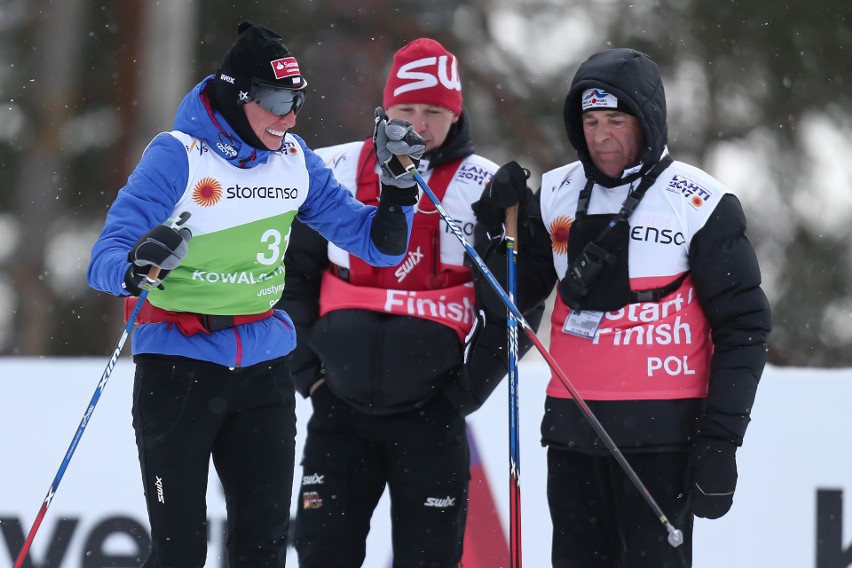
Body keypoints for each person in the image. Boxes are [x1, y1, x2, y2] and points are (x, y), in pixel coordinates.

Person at [86, 21, 426, 568]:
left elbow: (377, 246)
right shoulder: (179, 155)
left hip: (263, 369)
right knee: (179, 553)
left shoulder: (294, 160)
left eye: (296, 100)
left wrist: (398, 190)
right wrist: (134, 267)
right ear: (235, 94)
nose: (288, 117)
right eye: (273, 101)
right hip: (178, 366)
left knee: (262, 549)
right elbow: (103, 259)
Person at [476, 48, 772, 567]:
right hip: (572, 434)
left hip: (663, 441)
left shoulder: (701, 202)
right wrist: (492, 226)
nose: (601, 134)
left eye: (616, 119)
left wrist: (721, 440)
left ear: (648, 121)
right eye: (590, 121)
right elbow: (509, 299)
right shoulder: (557, 195)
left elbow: (745, 326)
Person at [277, 37, 544, 567]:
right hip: (339, 411)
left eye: (433, 112)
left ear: (456, 113)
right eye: (406, 109)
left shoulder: (484, 186)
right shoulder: (334, 169)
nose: (419, 125)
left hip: (432, 418)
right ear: (386, 108)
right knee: (321, 554)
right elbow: (290, 275)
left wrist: (466, 392)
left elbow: (519, 303)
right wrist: (307, 373)